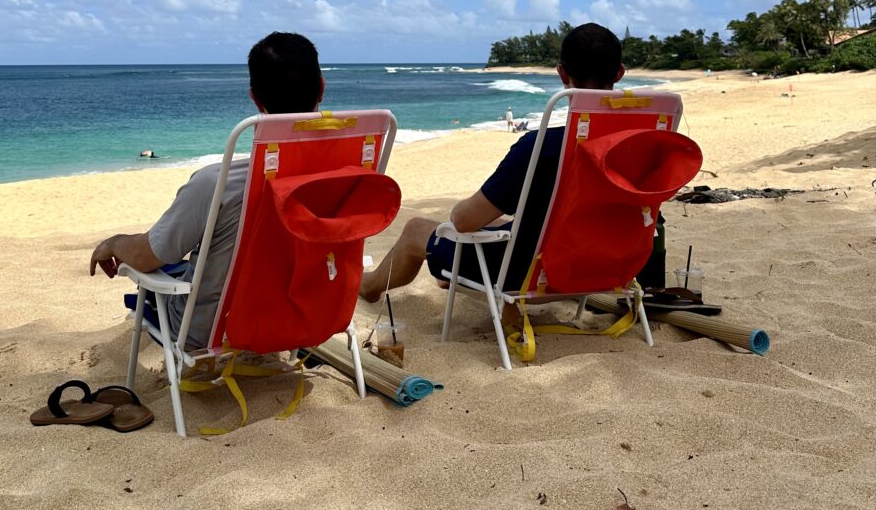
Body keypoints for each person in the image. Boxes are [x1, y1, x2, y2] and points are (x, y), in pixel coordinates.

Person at [359, 23, 625, 303]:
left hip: (524, 276)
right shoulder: (638, 145)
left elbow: (464, 220)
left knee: (418, 227)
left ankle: (369, 287)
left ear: (561, 73)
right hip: (599, 267)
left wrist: (459, 213)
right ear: (619, 72)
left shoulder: (542, 146)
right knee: (500, 221)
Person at [90, 32, 325, 349]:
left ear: (255, 99)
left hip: (216, 332)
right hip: (305, 316)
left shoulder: (218, 183)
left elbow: (148, 256)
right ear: (321, 88)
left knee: (154, 283)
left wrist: (114, 243)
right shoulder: (343, 175)